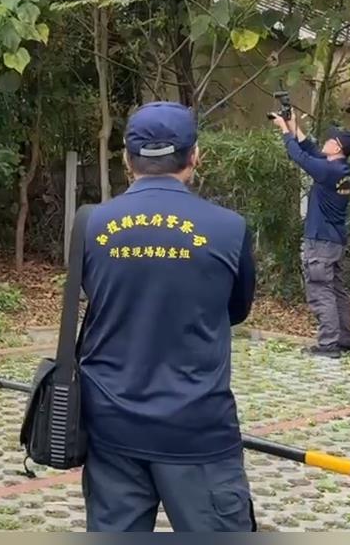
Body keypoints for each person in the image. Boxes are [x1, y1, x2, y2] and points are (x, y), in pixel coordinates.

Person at [80, 101, 257, 532]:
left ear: (126, 158)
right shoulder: (229, 227)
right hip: (196, 428)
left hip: (111, 426)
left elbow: (97, 297)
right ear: (195, 156)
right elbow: (237, 310)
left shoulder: (90, 223)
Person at [271, 112, 350, 358]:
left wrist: (285, 131)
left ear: (337, 147)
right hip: (335, 240)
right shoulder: (341, 168)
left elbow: (298, 156)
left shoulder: (329, 171)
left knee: (321, 290)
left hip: (320, 242)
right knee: (336, 290)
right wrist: (294, 127)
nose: (326, 141)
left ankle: (328, 344)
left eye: (331, 139)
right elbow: (309, 150)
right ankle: (345, 338)